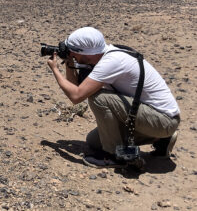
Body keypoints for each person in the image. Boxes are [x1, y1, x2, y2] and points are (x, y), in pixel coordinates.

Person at [46, 27, 180, 168]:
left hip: (164, 120)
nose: (71, 55)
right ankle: (161, 139)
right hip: (155, 116)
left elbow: (76, 96)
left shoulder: (111, 62)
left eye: (72, 53)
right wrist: (69, 63)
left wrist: (55, 70)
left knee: (98, 98)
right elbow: (74, 86)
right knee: (93, 141)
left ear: (85, 53)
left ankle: (114, 156)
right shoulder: (103, 56)